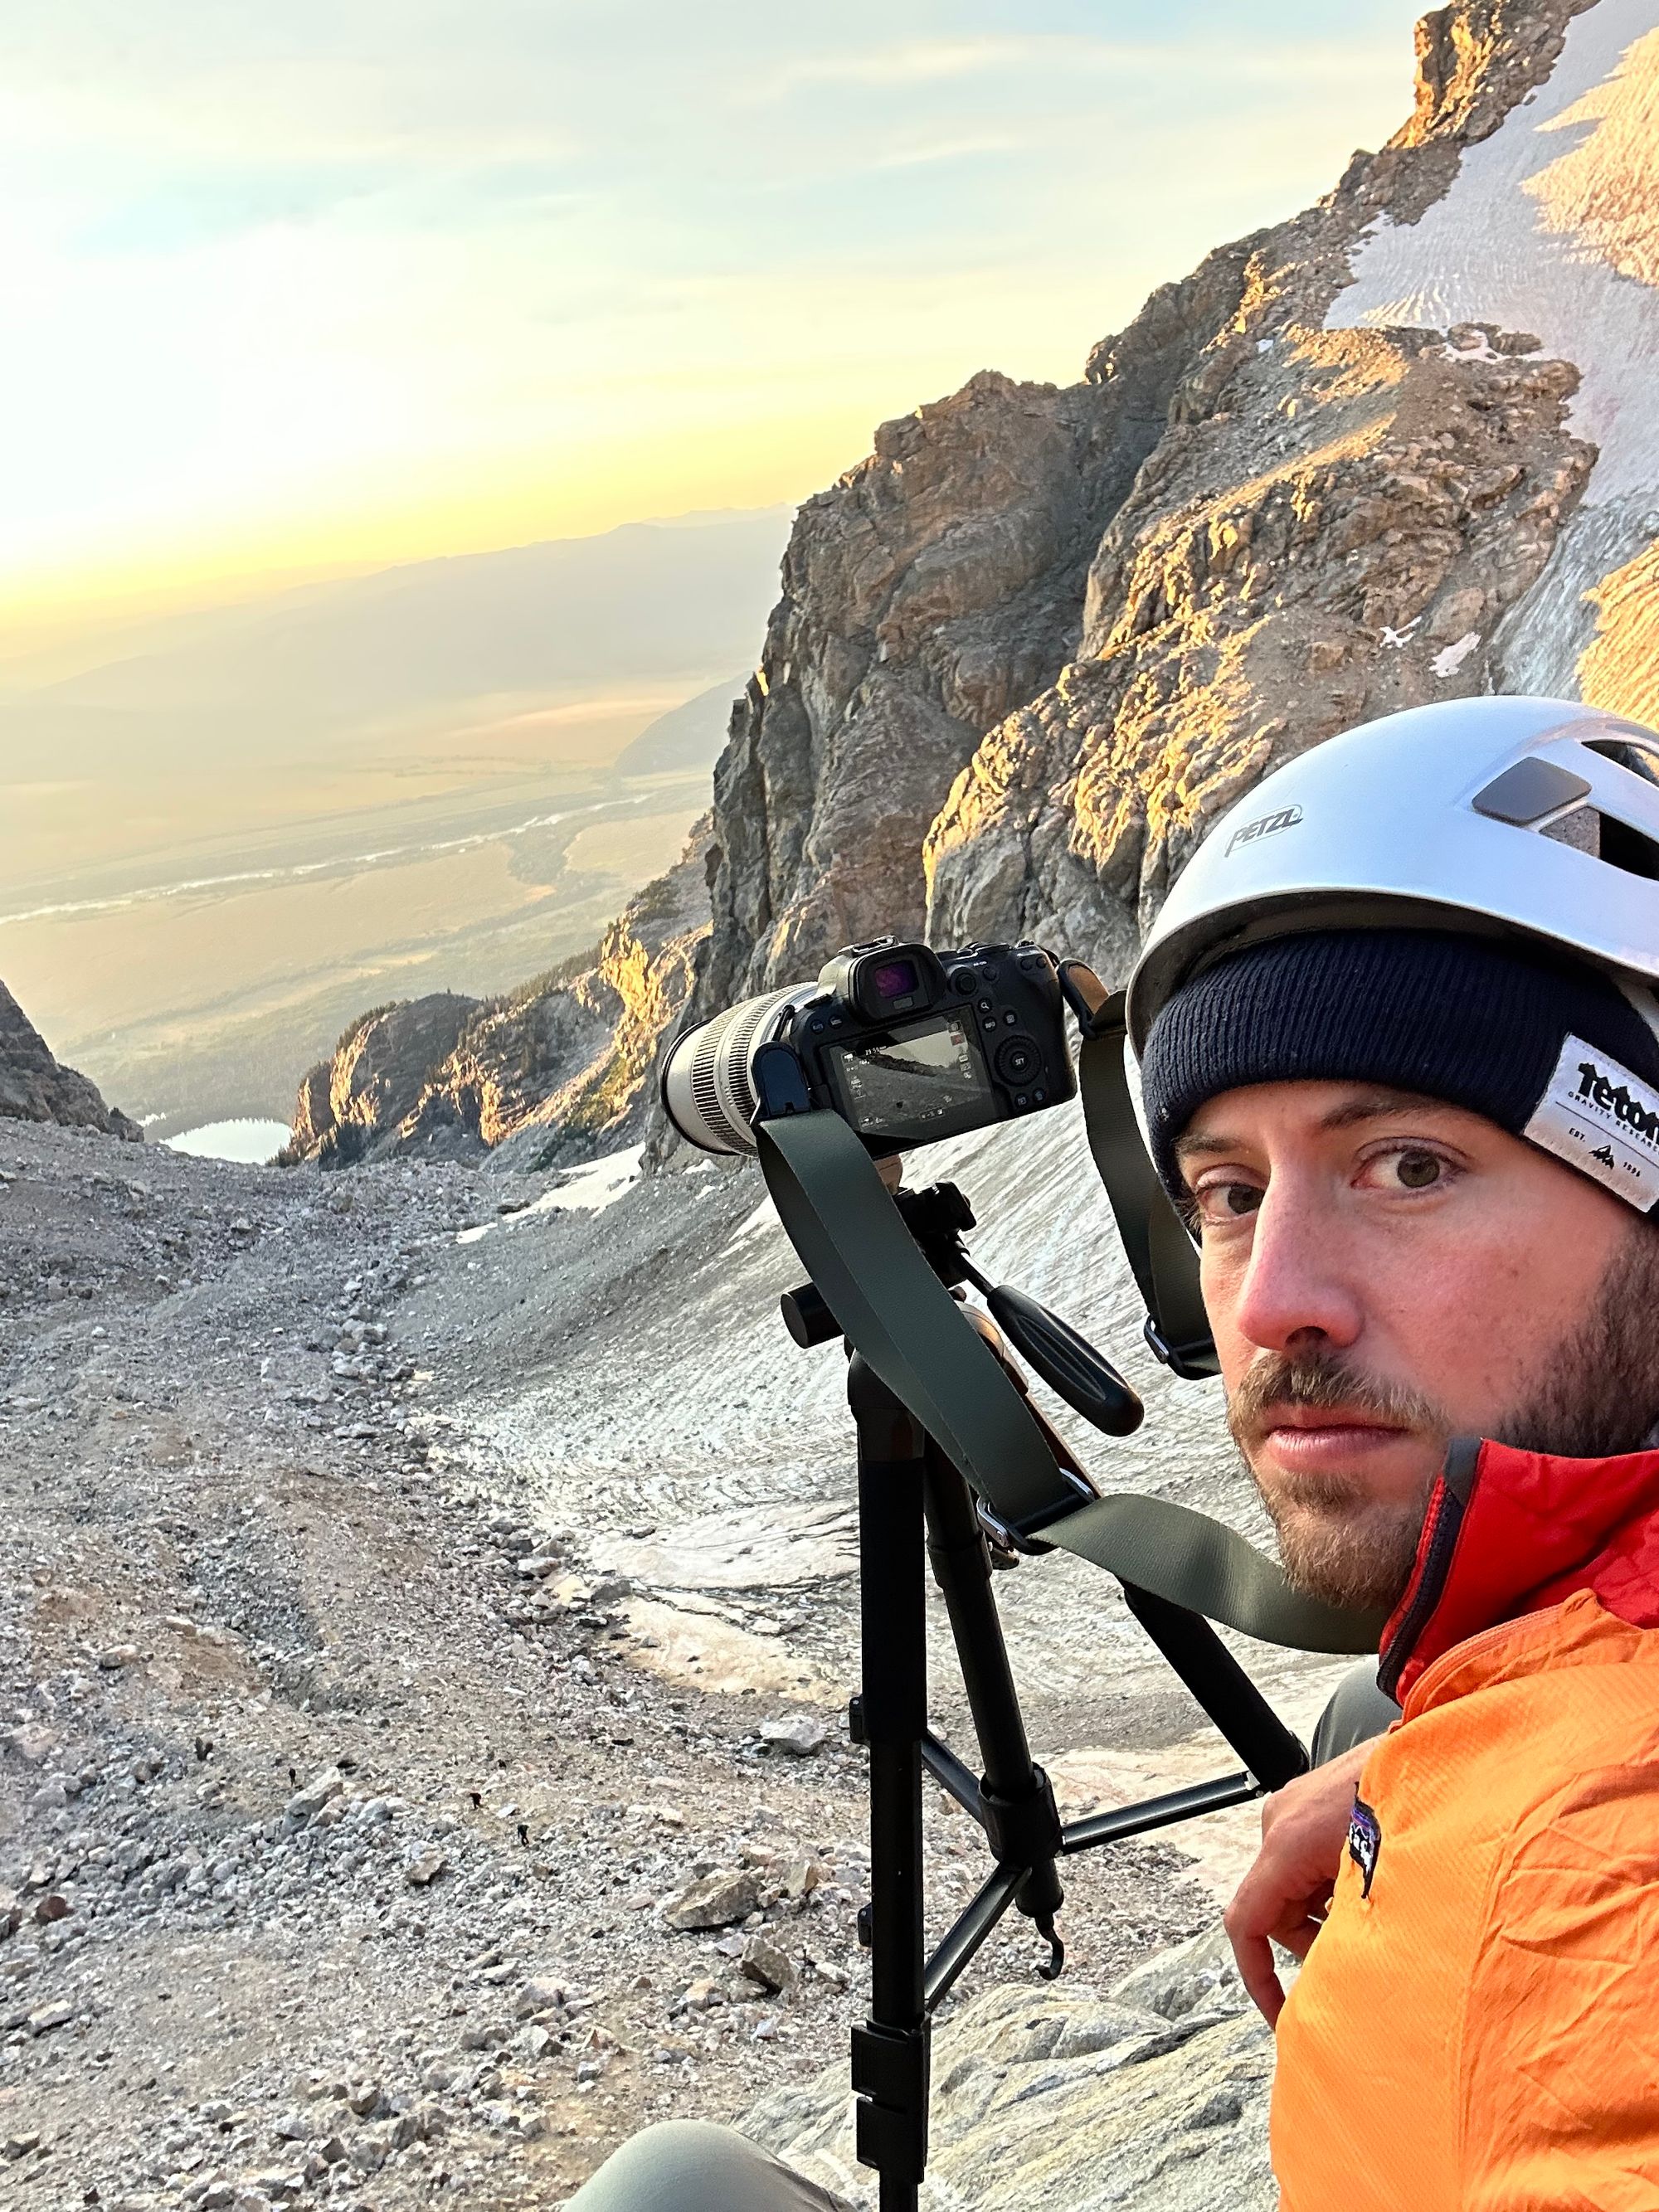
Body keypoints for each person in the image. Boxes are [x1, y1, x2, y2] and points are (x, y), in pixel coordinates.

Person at [572, 695, 1659, 2209]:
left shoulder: (1601, 1905)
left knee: (668, 2195)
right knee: (1367, 1692)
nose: (1272, 1298)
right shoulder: (1553, 1684)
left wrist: (1492, 1833)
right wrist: (1421, 1777)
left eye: (1409, 1166)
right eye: (1224, 1191)